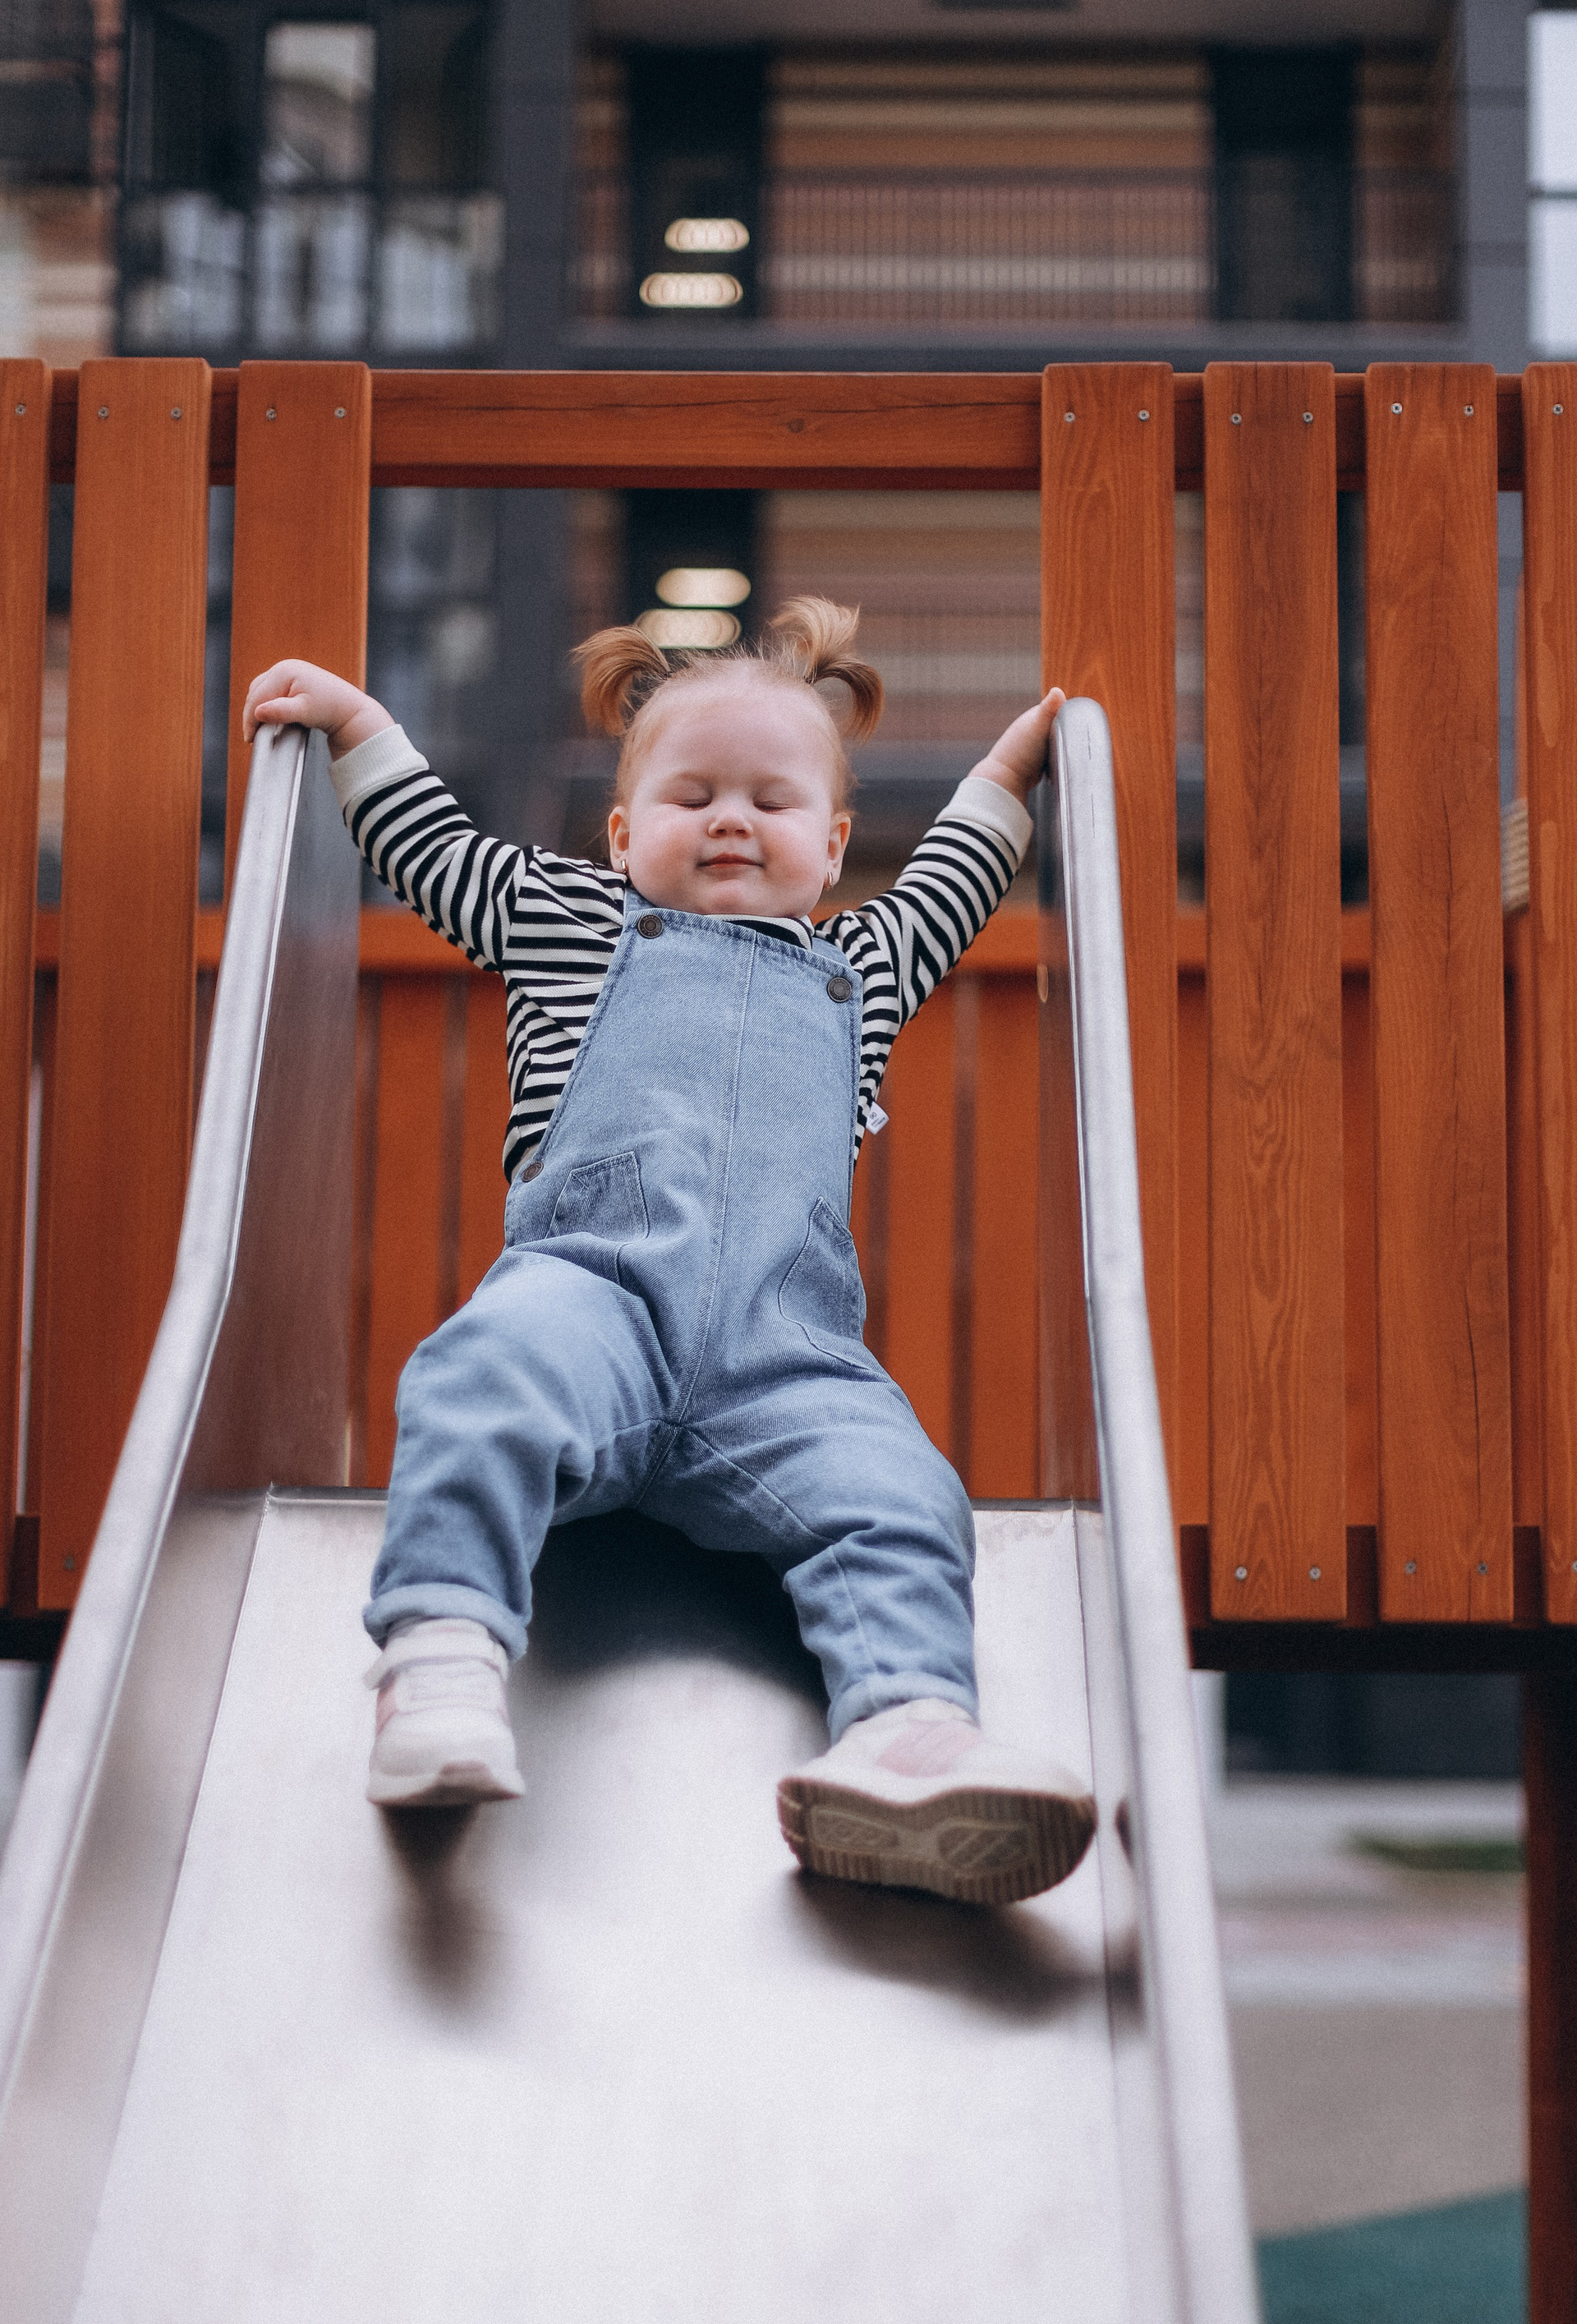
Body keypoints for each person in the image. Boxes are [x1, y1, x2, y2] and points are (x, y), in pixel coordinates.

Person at [242, 598, 1096, 1908]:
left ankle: (907, 1725)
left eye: (772, 800)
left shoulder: (860, 968)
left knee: (903, 1491)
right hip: (595, 1303)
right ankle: (443, 1647)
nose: (731, 820)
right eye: (692, 796)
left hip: (789, 1363)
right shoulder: (569, 921)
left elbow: (953, 882)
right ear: (624, 833)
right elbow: (434, 852)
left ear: (834, 842)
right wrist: (357, 725)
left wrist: (1017, 766)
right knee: (482, 1374)